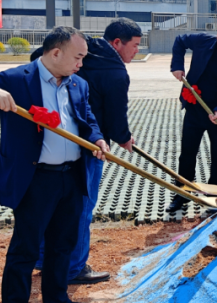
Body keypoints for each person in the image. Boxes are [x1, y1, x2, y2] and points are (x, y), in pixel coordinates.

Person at [0, 26, 108, 303]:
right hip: (35, 179)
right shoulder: (15, 80)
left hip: (71, 175)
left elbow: (86, 118)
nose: (81, 64)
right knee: (25, 249)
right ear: (56, 52)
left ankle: (56, 302)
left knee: (62, 243)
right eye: (78, 57)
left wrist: (97, 138)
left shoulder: (78, 84)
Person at [29, 18, 141, 285]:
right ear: (117, 43)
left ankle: (43, 257)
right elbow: (115, 116)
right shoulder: (115, 72)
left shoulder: (84, 50)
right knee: (81, 206)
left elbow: (37, 56)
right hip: (90, 146)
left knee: (53, 205)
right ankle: (75, 267)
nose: (137, 51)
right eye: (135, 45)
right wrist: (123, 137)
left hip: (55, 142)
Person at [167, 21, 217, 217]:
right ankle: (183, 193)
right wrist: (177, 65)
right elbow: (180, 41)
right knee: (187, 153)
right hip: (195, 108)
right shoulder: (203, 42)